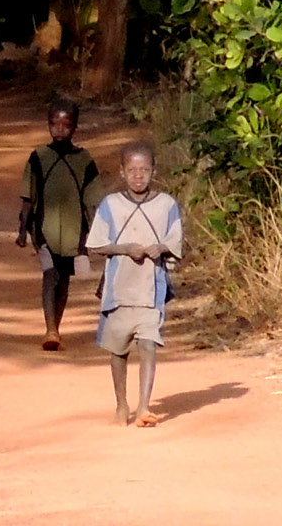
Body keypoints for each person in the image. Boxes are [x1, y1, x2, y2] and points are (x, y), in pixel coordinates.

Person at [86, 139, 183, 426]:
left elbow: (176, 241)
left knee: (149, 344)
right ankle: (121, 403)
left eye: (144, 169)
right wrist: (124, 248)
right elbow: (96, 245)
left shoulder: (166, 205)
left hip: (151, 289)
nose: (138, 175)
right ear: (121, 172)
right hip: (119, 290)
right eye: (132, 170)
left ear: (154, 171)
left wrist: (160, 248)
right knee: (118, 350)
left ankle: (143, 406)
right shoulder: (110, 204)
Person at [15, 98, 100, 351]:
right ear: (48, 124)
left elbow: (93, 200)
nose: (60, 129)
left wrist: (97, 232)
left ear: (75, 126)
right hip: (43, 228)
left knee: (64, 279)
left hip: (75, 231)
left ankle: (56, 328)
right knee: (50, 274)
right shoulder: (38, 157)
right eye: (55, 123)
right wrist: (22, 229)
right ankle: (50, 329)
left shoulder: (84, 160)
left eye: (67, 124)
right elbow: (28, 197)